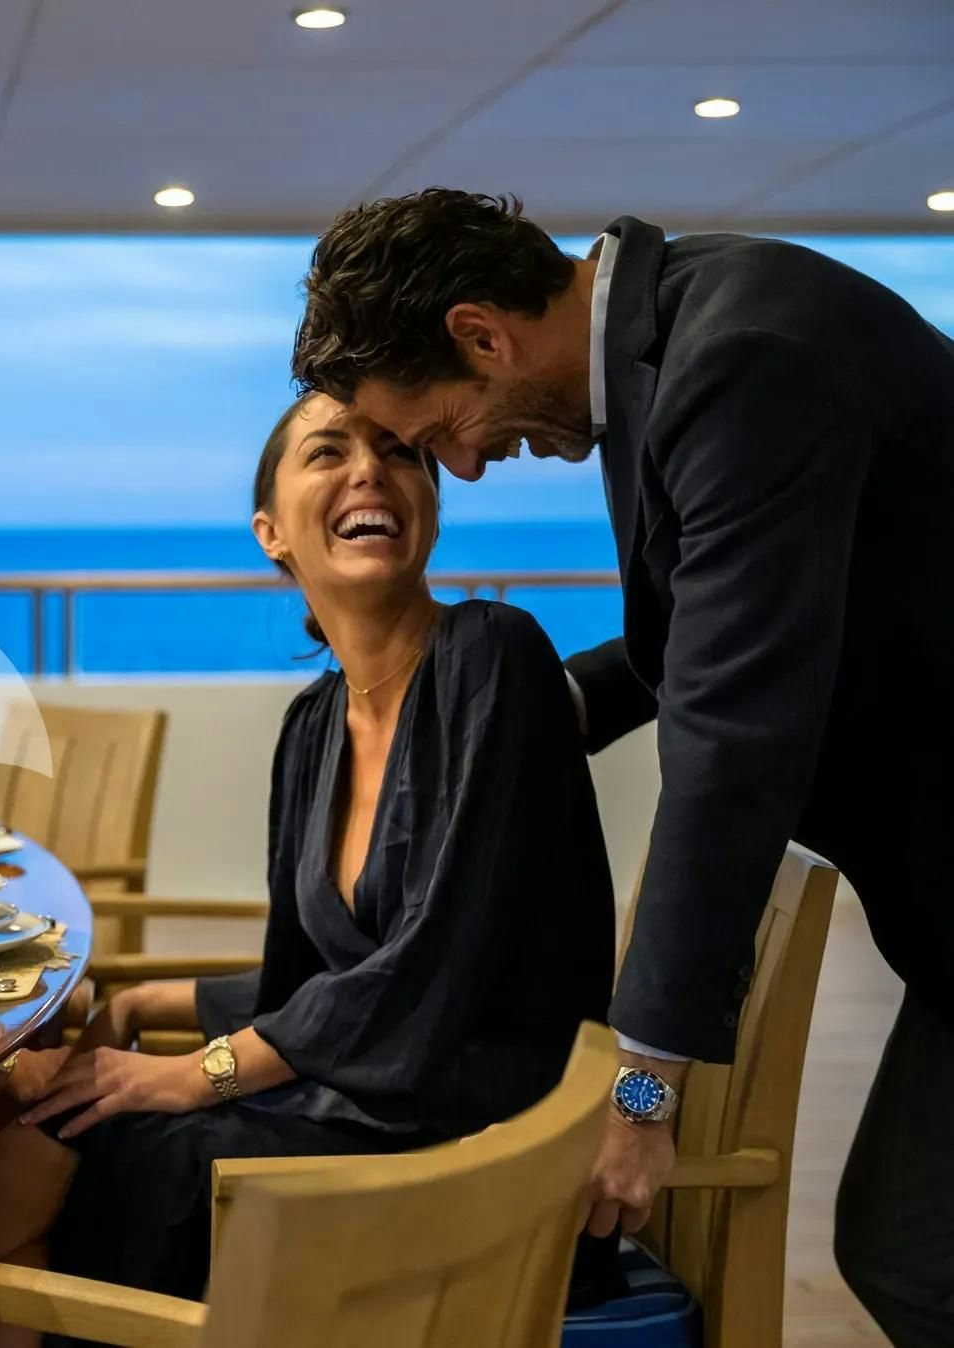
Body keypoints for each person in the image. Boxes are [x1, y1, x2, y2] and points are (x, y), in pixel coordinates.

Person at [292, 189, 954, 1346]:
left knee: (911, 1256)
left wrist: (642, 1091)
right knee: (909, 1254)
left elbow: (731, 742)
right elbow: (693, 642)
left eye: (439, 425)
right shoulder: (672, 342)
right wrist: (518, 705)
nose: (467, 466)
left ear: (482, 334)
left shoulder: (745, 354)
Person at [0, 392, 618, 1344]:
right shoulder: (312, 728)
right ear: (272, 533)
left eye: (398, 451)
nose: (369, 470)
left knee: (114, 1150)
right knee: (51, 1129)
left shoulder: (492, 657)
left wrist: (194, 1075)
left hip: (485, 1155)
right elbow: (314, 986)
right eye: (328, 452)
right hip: (372, 1110)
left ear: (429, 499)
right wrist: (146, 1005)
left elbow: (433, 966)